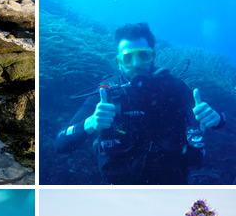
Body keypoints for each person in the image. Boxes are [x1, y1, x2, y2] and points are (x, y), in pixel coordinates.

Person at [54, 22, 226, 184]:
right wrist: (90, 123)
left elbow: (210, 119)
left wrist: (217, 119)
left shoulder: (174, 88)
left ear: (152, 55)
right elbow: (60, 143)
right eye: (127, 58)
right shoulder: (105, 93)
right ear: (119, 61)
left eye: (143, 55)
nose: (136, 64)